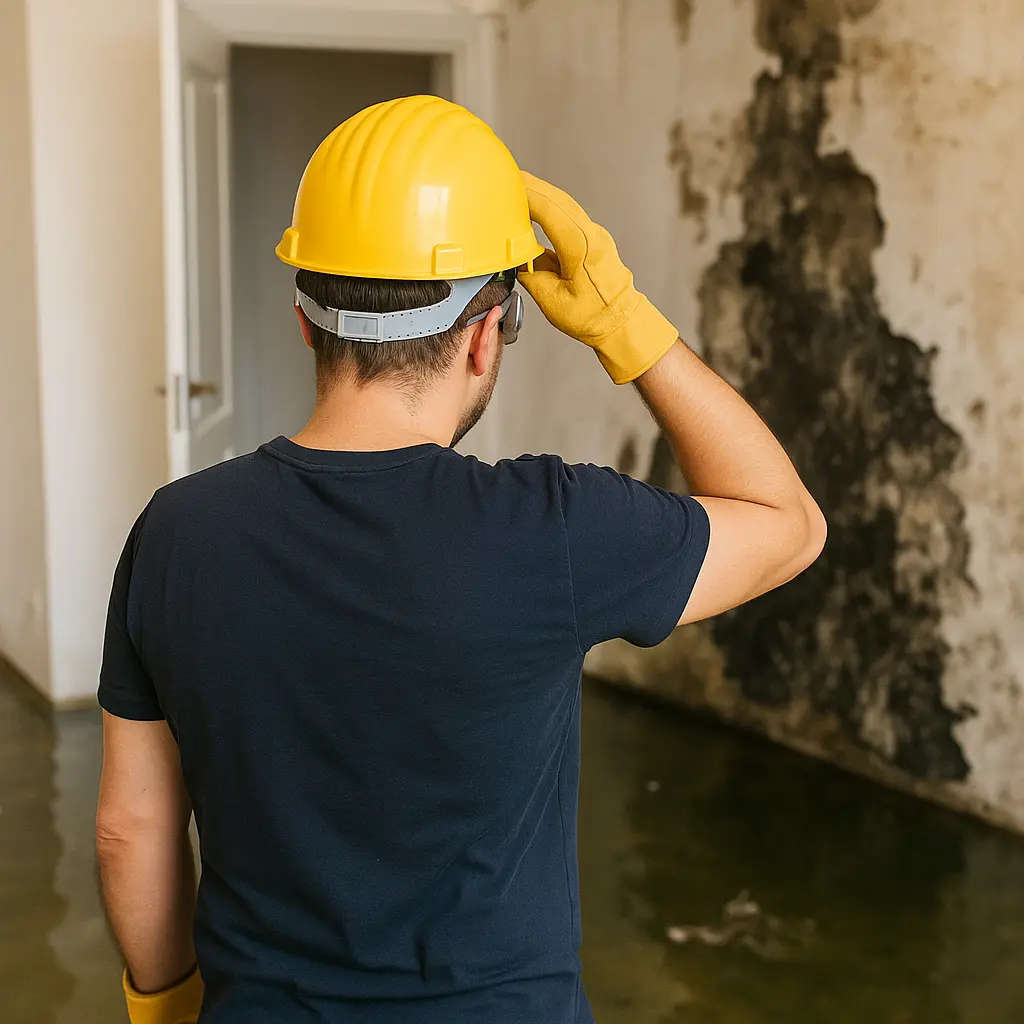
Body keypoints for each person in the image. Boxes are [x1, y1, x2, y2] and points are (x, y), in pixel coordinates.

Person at [96, 95, 825, 1024]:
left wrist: (168, 1011)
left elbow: (131, 830)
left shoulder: (175, 532)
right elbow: (789, 523)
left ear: (306, 319)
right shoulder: (554, 528)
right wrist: (621, 322)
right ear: (487, 336)